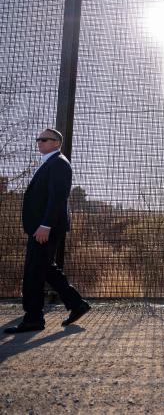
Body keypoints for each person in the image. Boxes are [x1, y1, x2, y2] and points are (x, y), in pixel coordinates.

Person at [4, 129, 90, 334]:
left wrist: (45, 225)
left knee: (34, 272)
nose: (39, 142)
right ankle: (77, 304)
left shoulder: (59, 163)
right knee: (46, 268)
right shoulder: (49, 163)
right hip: (41, 227)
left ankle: (33, 319)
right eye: (38, 139)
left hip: (46, 228)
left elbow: (57, 197)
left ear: (56, 143)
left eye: (44, 139)